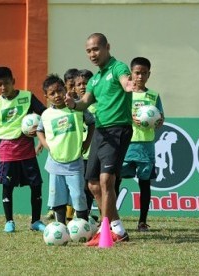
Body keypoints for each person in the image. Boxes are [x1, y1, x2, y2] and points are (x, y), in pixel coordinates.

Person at [65, 33, 135, 245]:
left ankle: (104, 231)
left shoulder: (118, 68)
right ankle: (117, 229)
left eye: (96, 49)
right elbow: (84, 102)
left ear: (107, 47)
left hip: (118, 130)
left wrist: (128, 86)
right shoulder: (94, 79)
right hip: (101, 132)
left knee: (107, 180)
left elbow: (125, 81)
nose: (92, 54)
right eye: (88, 51)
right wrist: (72, 103)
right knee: (93, 184)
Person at [0, 66, 47, 233]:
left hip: (27, 150)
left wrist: (41, 140)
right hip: (7, 150)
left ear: (13, 81)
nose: (3, 88)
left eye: (6, 83)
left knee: (36, 185)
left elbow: (45, 115)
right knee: (7, 185)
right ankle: (9, 221)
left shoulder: (27, 97)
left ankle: (35, 221)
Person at [36, 74, 95, 225]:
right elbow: (39, 130)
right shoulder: (46, 114)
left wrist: (87, 143)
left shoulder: (77, 107)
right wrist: (45, 144)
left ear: (66, 89)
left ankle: (82, 226)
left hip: (75, 162)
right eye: (52, 93)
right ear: (46, 97)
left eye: (59, 90)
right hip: (55, 163)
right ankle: (60, 226)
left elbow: (92, 123)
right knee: (57, 197)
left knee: (78, 196)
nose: (57, 95)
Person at [115, 57, 165, 232]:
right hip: (126, 143)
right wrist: (130, 118)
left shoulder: (153, 96)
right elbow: (117, 114)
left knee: (145, 184)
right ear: (131, 74)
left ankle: (142, 221)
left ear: (149, 74)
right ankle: (112, 220)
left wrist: (158, 122)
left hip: (146, 146)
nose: (140, 76)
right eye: (137, 73)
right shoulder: (125, 94)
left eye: (144, 73)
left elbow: (161, 117)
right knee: (115, 181)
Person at [74, 69, 97, 220]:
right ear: (74, 88)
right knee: (79, 188)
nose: (83, 87)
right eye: (79, 84)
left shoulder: (99, 105)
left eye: (86, 83)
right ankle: (80, 217)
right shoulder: (72, 107)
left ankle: (90, 217)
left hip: (95, 153)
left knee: (91, 187)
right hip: (76, 153)